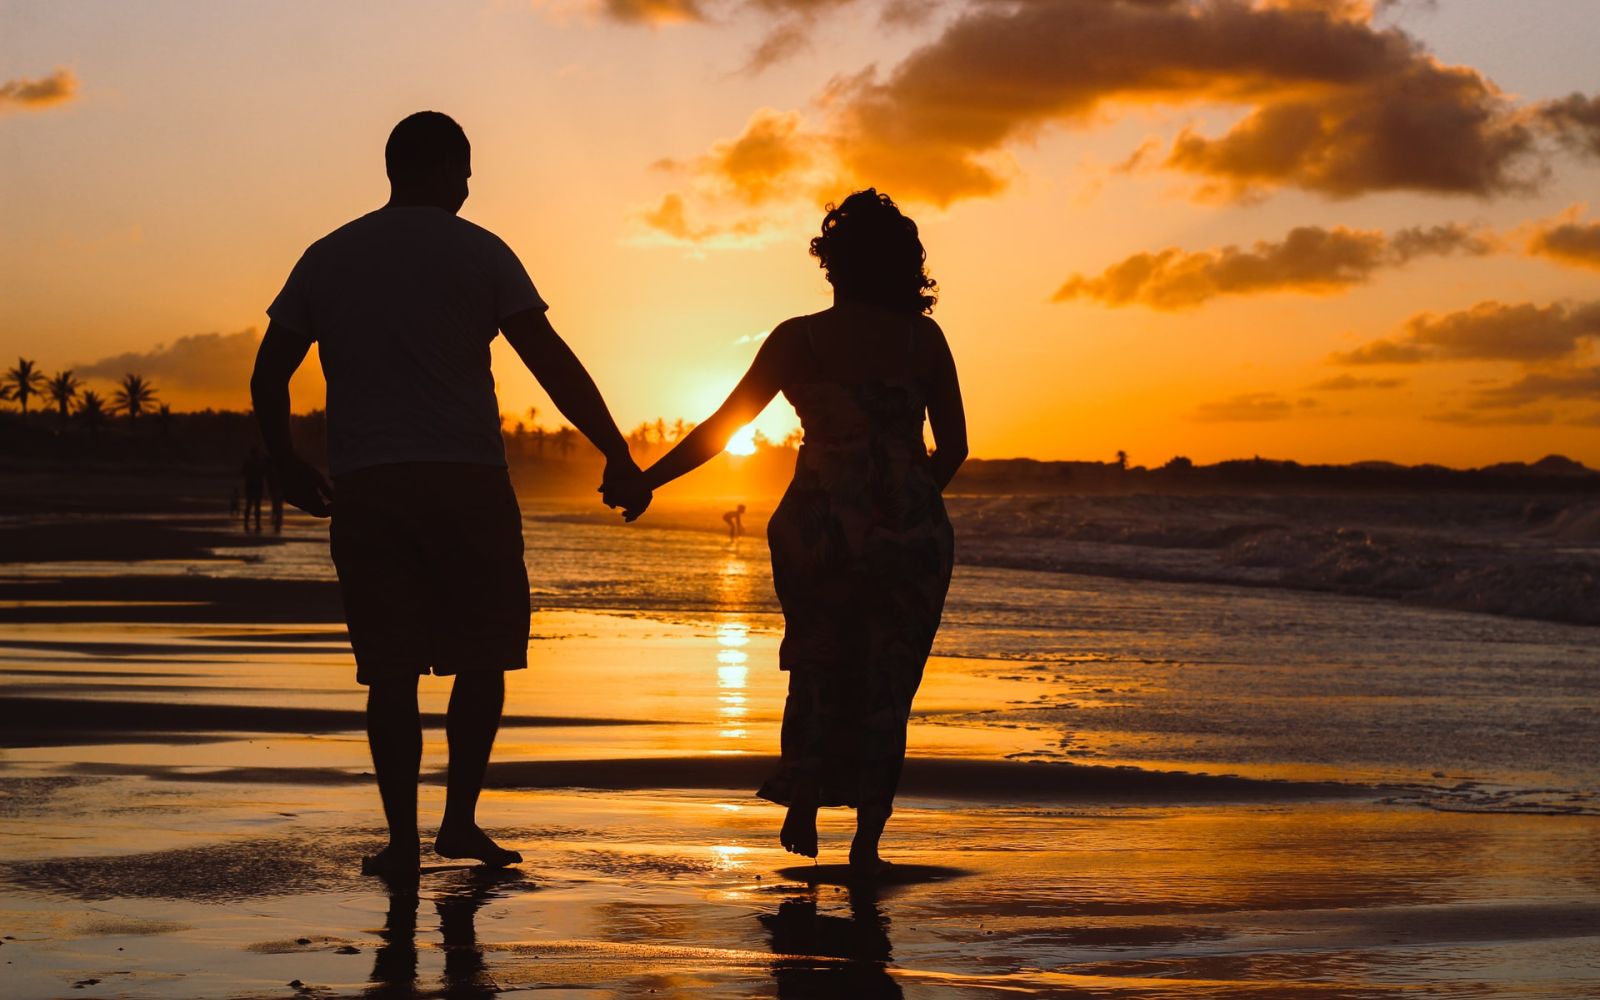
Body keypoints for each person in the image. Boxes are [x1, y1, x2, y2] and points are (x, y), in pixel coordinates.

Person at [252, 111, 650, 881]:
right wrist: (616, 451)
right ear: (443, 167)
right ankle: (459, 821)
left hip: (369, 486)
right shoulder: (483, 252)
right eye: (465, 170)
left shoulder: (327, 256)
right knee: (483, 656)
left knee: (390, 671)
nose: (469, 187)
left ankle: (404, 842)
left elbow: (270, 373)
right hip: (467, 481)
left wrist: (286, 463)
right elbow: (551, 363)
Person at [610, 189, 966, 875]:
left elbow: (722, 429)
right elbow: (953, 447)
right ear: (905, 267)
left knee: (817, 657)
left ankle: (804, 797)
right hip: (910, 536)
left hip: (819, 526)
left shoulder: (798, 338)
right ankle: (867, 843)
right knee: (889, 681)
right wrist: (904, 503)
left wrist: (647, 481)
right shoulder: (925, 341)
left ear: (831, 264)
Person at [240, 447, 267, 533]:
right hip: (257, 485)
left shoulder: (248, 461)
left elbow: (242, 472)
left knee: (249, 505)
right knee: (257, 506)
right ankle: (257, 524)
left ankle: (246, 522)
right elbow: (264, 473)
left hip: (250, 484)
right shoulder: (260, 462)